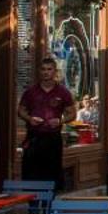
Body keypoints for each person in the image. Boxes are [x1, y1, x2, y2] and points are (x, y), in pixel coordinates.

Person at [16, 57, 75, 187]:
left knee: (51, 175)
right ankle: (33, 205)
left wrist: (61, 120)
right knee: (32, 175)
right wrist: (30, 119)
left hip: (52, 138)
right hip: (34, 138)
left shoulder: (63, 92)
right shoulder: (31, 92)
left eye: (49, 69)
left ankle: (49, 205)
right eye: (43, 69)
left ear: (55, 72)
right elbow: (20, 111)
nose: (46, 72)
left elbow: (72, 114)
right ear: (39, 71)